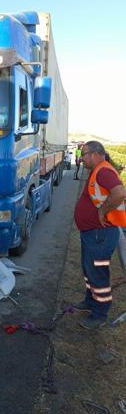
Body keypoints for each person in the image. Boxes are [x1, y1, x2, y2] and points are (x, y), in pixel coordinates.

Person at [73, 140, 126, 329]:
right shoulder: (98, 171)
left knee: (98, 273)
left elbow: (119, 193)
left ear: (94, 154)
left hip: (101, 234)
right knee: (89, 270)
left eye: (83, 154)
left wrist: (102, 211)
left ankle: (99, 314)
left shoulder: (103, 171)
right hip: (93, 234)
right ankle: (90, 301)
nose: (81, 158)